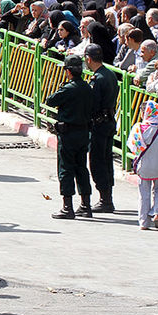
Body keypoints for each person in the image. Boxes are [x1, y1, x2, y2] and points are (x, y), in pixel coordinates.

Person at [47, 56, 94, 219]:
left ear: (68, 71)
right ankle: (86, 205)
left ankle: (68, 207)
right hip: (83, 133)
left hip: (68, 134)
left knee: (66, 168)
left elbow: (50, 100)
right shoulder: (87, 88)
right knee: (81, 168)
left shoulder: (68, 89)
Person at [84, 44, 119, 213]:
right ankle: (107, 196)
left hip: (99, 124)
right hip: (109, 121)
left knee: (98, 162)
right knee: (106, 160)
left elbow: (93, 104)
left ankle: (105, 199)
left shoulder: (98, 79)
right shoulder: (110, 74)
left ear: (88, 59)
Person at [126, 100, 158, 230]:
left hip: (144, 165)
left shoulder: (138, 128)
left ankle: (143, 222)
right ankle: (157, 212)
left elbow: (133, 147)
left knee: (143, 194)